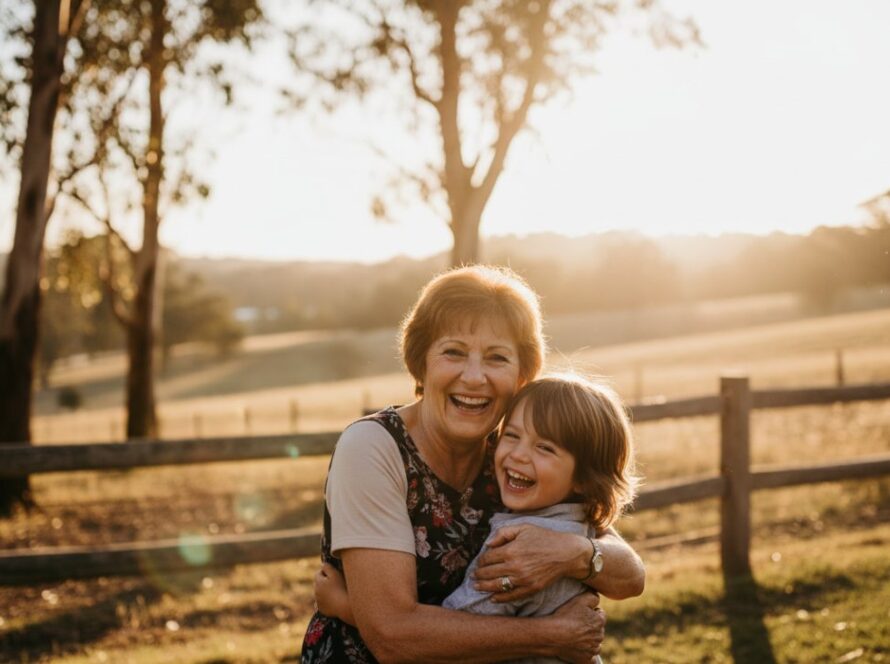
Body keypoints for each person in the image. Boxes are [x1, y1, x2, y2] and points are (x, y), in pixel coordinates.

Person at [301, 265, 645, 663]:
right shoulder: (373, 449)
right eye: (454, 352)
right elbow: (392, 636)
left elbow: (630, 574)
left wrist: (572, 553)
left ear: (522, 375)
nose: (475, 376)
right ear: (422, 360)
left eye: (497, 358)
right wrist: (551, 635)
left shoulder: (513, 457)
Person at [440, 374, 638, 663]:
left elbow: (457, 630)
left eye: (545, 448)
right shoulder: (581, 522)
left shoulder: (519, 543)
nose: (518, 454)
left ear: (584, 478)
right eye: (512, 435)